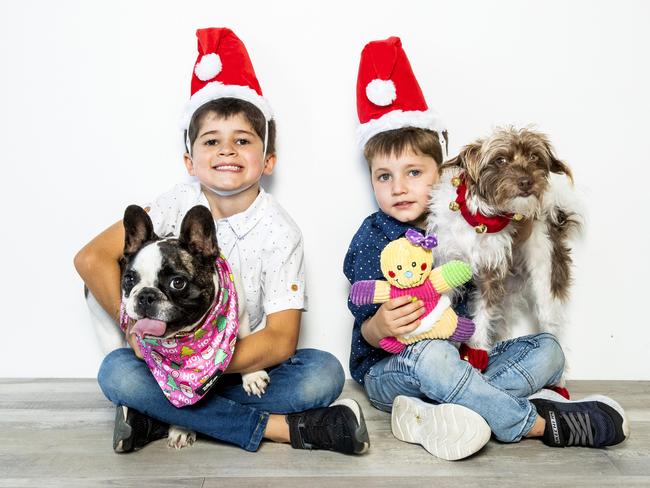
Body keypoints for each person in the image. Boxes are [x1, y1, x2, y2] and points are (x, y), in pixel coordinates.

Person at [75, 27, 368, 455]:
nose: (226, 150)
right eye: (212, 141)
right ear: (190, 160)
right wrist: (135, 334)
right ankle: (287, 429)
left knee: (322, 373)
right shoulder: (175, 202)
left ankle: (158, 414)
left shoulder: (280, 231)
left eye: (243, 141)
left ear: (267, 160)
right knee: (116, 372)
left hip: (238, 364)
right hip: (165, 363)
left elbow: (282, 341)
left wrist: (201, 365)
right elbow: (90, 259)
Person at [344, 36, 628, 461]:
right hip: (395, 369)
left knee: (547, 351)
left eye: (414, 172)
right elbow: (366, 329)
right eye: (384, 176)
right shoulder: (372, 237)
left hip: (468, 363)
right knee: (435, 356)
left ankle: (441, 415)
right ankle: (534, 423)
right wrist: (382, 325)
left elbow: (497, 278)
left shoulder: (467, 225)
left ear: (444, 173)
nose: (399, 187)